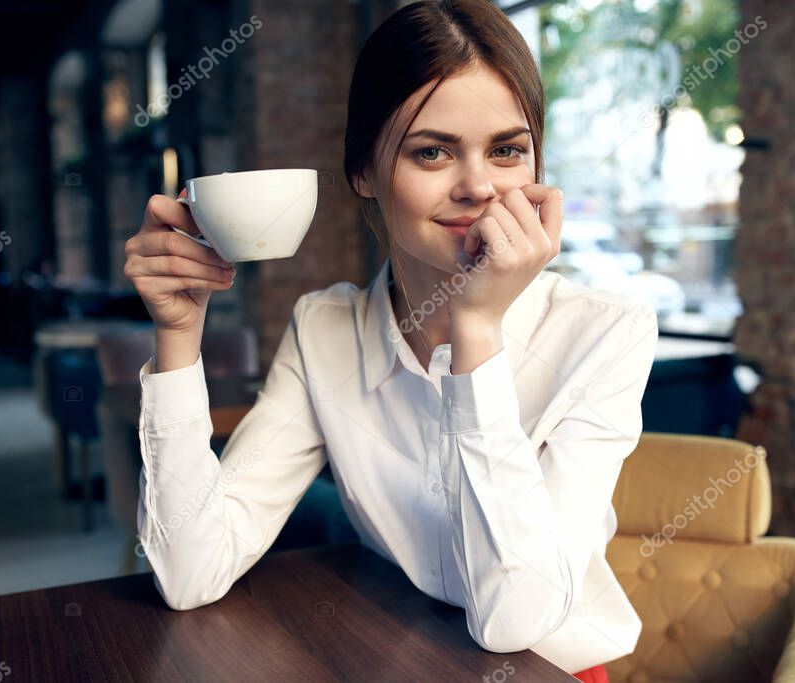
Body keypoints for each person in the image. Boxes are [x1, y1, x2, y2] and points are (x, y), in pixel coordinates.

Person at [122, 1, 658, 679]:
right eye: (431, 151)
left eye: (507, 150)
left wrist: (477, 327)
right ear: (365, 173)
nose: (478, 187)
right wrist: (176, 338)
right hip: (400, 653)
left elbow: (516, 619)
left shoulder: (606, 330)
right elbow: (190, 572)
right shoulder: (325, 331)